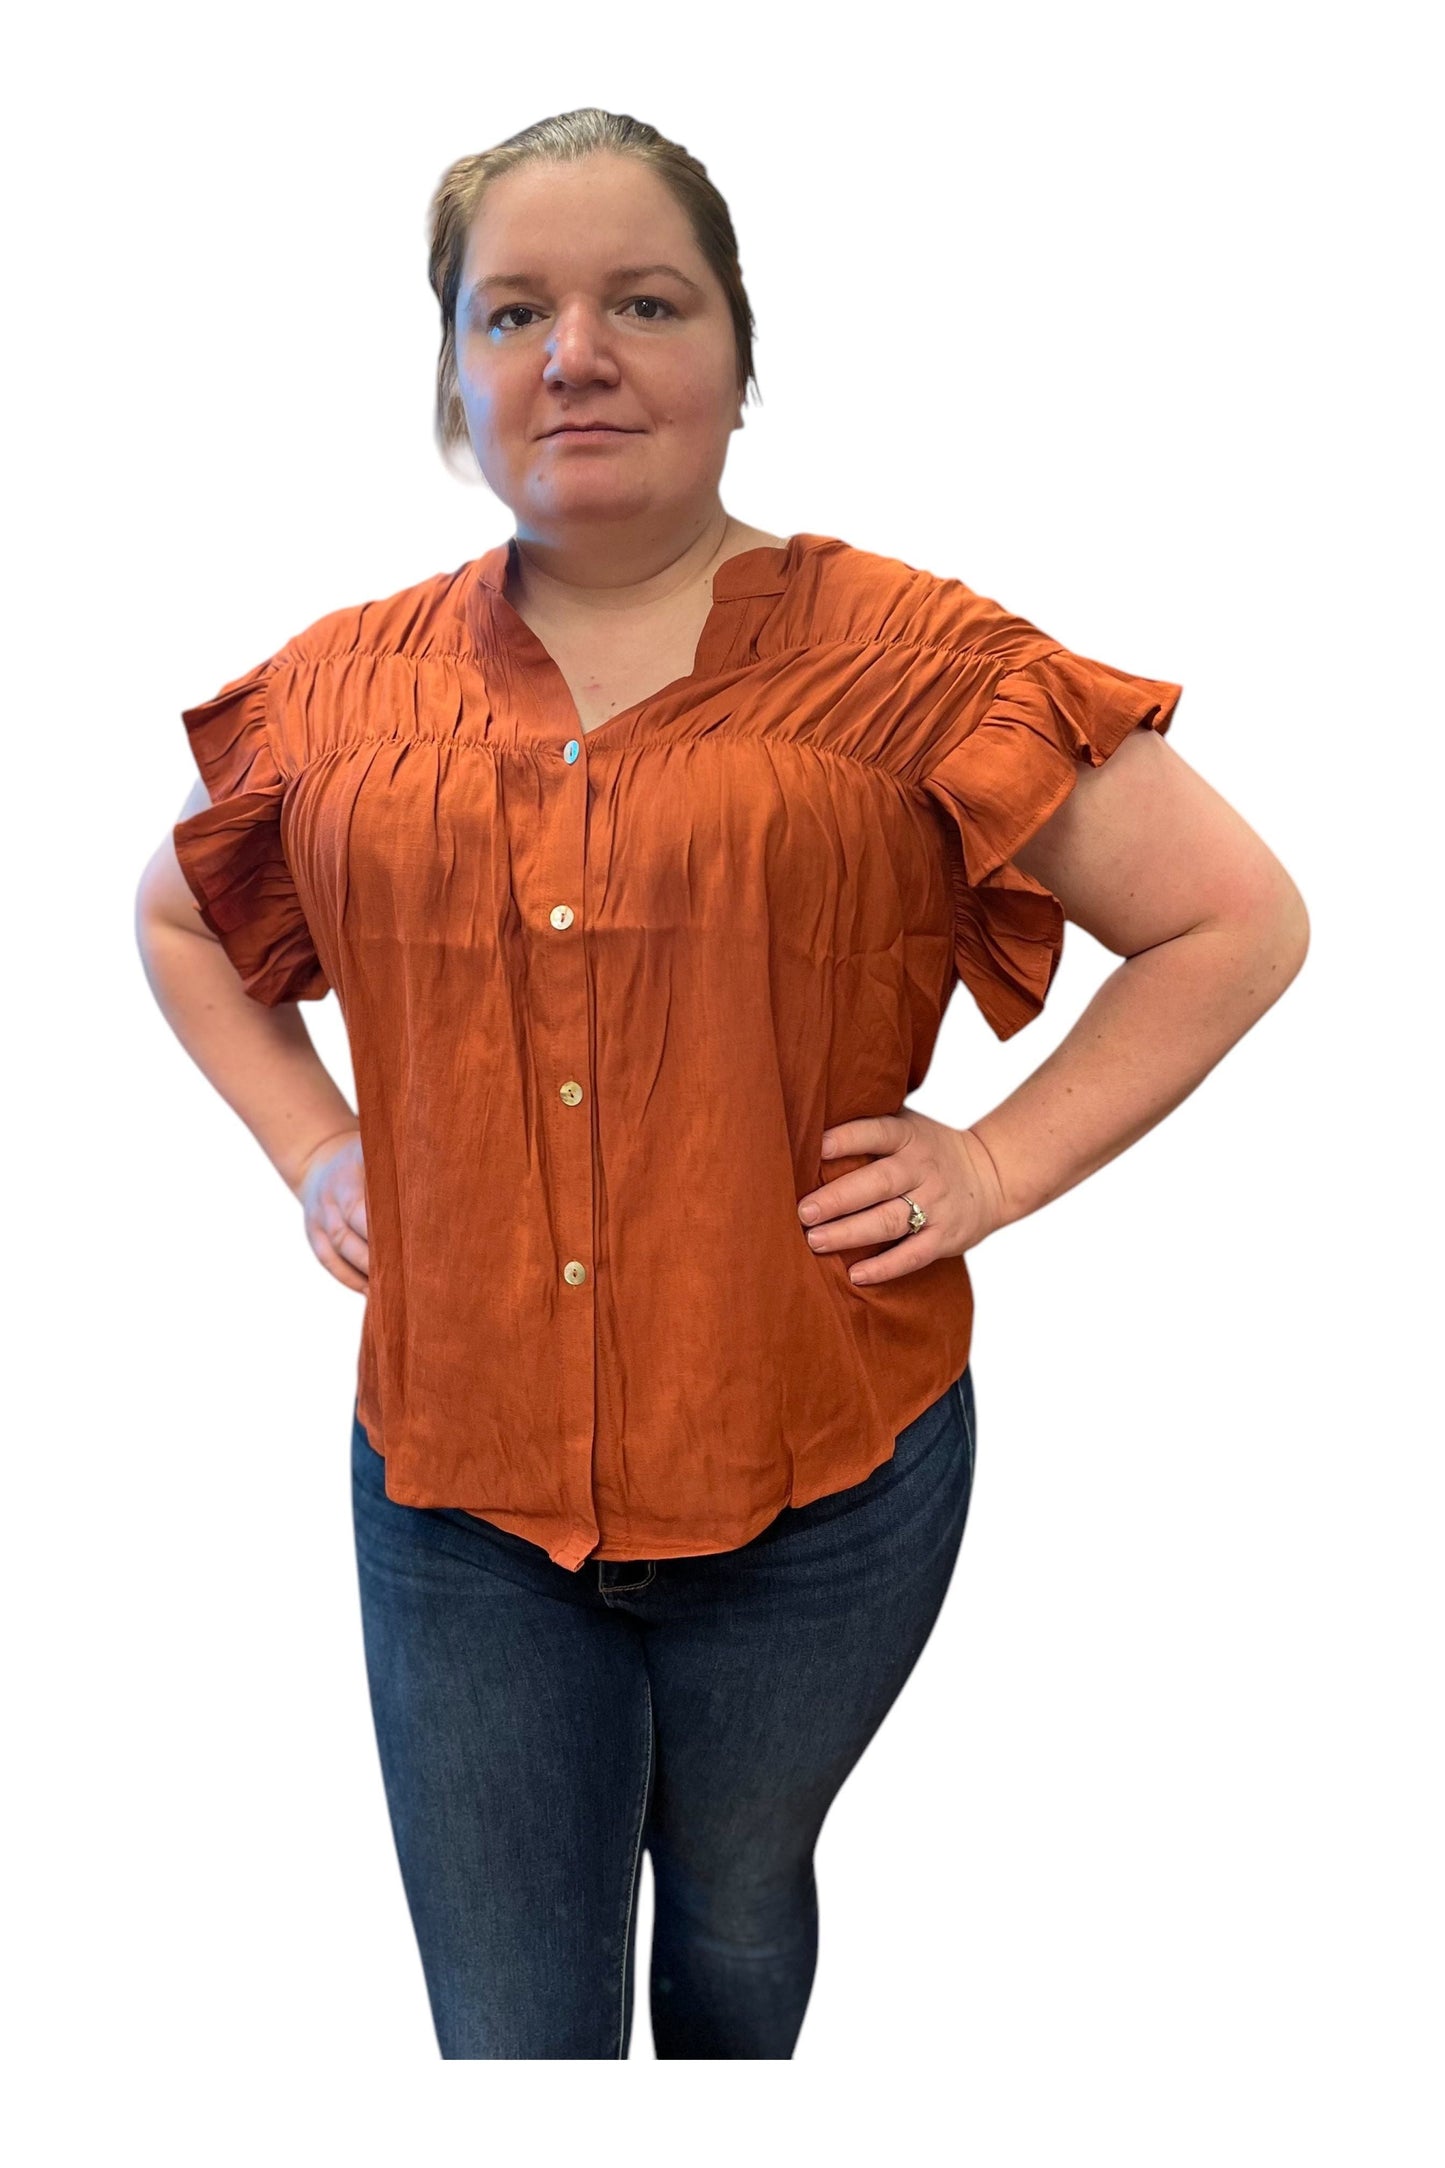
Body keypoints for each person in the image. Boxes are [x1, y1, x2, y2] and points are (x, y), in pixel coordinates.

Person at [135, 107, 1309, 2060]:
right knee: (513, 2036)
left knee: (740, 1897)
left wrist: (993, 1164)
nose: (575, 354)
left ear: (742, 355)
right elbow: (179, 922)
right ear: (453, 376)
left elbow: (1232, 921)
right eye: (514, 311)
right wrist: (312, 1143)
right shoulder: (335, 698)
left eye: (646, 302)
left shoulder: (920, 665)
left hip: (822, 1473)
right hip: (459, 1495)